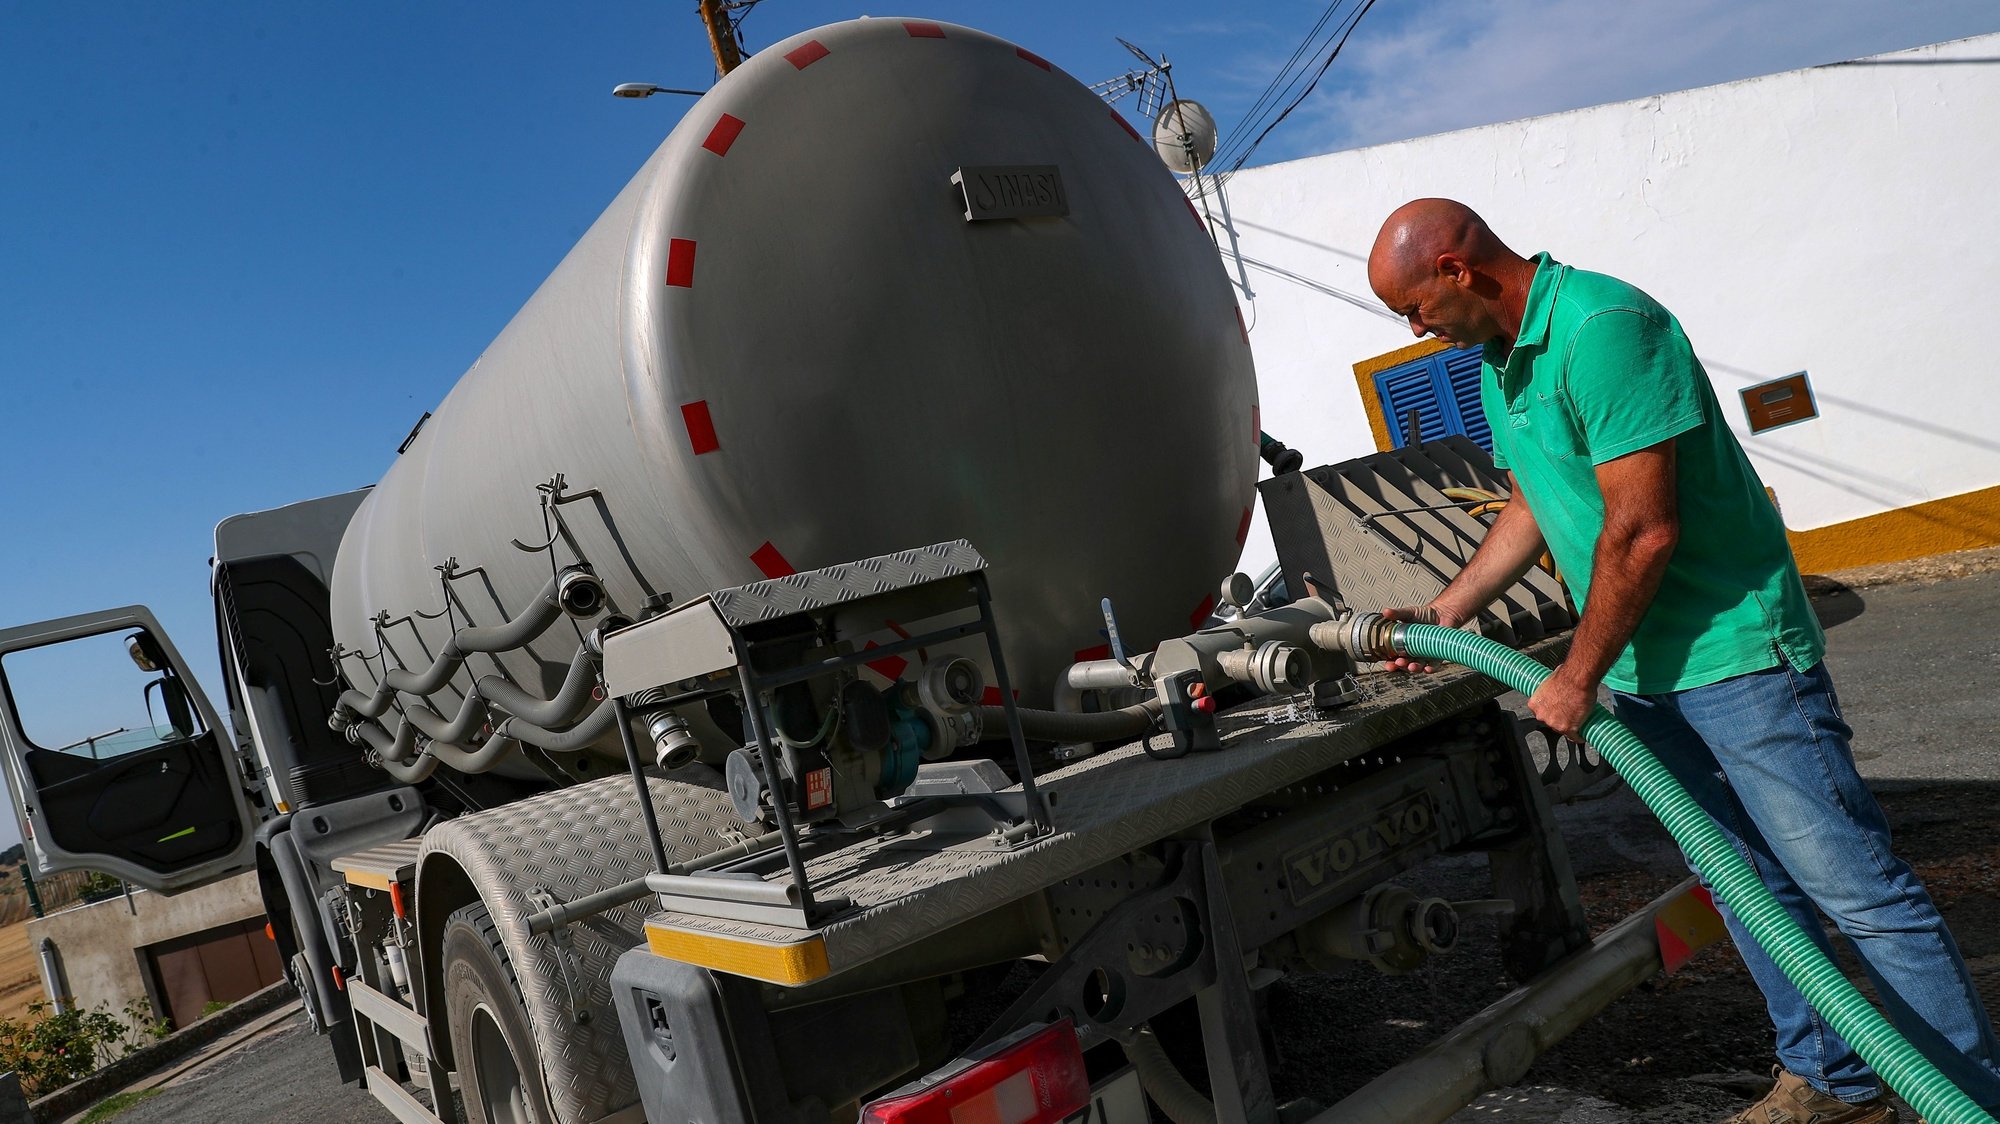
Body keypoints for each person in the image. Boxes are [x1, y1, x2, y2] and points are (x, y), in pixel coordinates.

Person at [1364, 198, 2000, 1124]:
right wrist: (1446, 610)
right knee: (1745, 885)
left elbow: (1644, 528)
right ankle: (1832, 1083)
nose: (1415, 330)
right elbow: (1532, 500)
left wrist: (1575, 676)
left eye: (1413, 308)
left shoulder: (1601, 329)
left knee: (1858, 893)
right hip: (1646, 671)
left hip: (1733, 657)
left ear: (1458, 271)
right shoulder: (1505, 364)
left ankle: (1966, 1101)